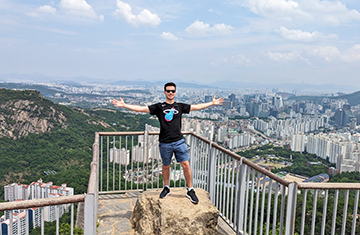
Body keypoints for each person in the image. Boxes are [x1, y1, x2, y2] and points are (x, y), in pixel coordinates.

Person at [112, 82, 224, 204]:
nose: (170, 93)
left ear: (175, 92)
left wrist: (212, 103)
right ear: (164, 92)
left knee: (186, 165)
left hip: (179, 141)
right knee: (166, 166)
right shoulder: (159, 107)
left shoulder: (180, 106)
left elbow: (197, 107)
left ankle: (190, 189)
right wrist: (124, 105)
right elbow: (141, 109)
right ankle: (166, 187)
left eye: (173, 91)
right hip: (164, 142)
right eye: (168, 91)